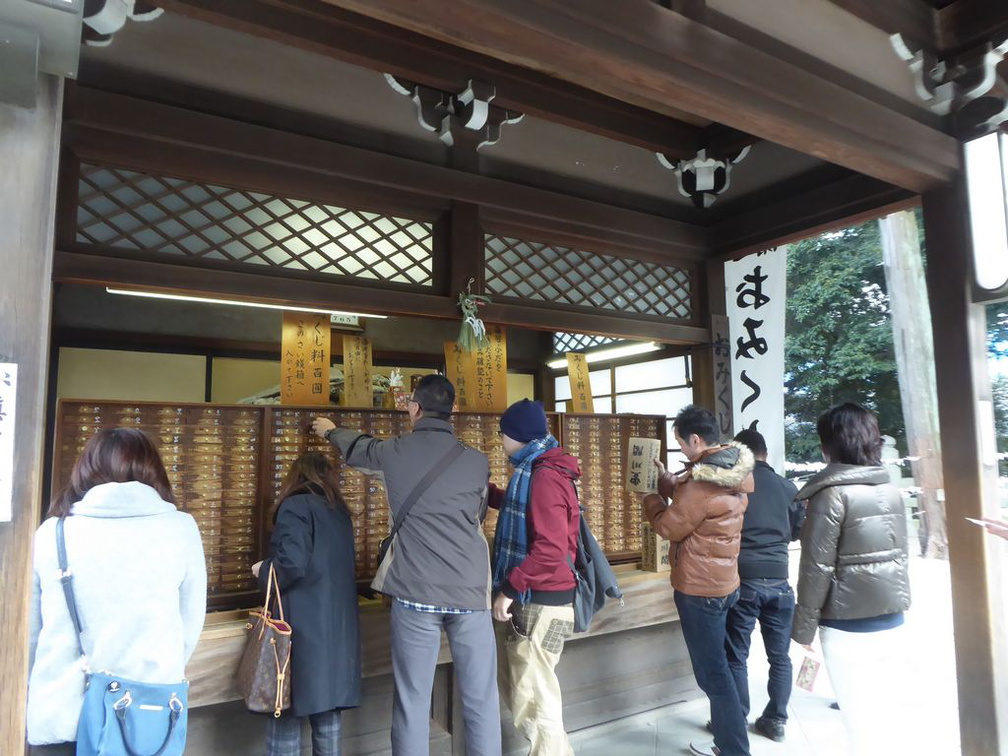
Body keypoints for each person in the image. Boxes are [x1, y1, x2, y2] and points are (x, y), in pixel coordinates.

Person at [312, 374, 501, 756]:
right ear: (454, 412)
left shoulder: (393, 452)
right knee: (481, 698)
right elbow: (476, 513)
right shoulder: (477, 461)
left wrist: (330, 431)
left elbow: (358, 448)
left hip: (415, 592)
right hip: (470, 592)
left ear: (413, 408)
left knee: (413, 700)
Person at [26, 428, 207, 754]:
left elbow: (29, 635)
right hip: (143, 721)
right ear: (154, 470)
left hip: (63, 715)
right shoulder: (181, 528)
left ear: (85, 469)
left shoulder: (53, 533)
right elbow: (189, 626)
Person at [791, 402, 912, 756]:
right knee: (884, 717)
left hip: (848, 627)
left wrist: (803, 630)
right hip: (893, 620)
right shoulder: (889, 490)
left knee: (860, 725)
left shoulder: (831, 494)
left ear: (830, 445)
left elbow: (816, 567)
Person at [642, 405, 754, 756]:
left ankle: (733, 747)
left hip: (699, 590)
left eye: (681, 445)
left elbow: (668, 526)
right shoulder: (733, 472)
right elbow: (703, 514)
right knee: (727, 663)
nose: (682, 453)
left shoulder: (700, 483)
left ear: (695, 439)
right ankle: (732, 731)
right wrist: (672, 486)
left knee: (712, 674)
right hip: (726, 583)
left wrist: (653, 498)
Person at [251, 451, 362, 756]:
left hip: (299, 630)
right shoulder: (338, 510)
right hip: (336, 631)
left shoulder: (295, 506)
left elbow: (291, 564)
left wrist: (263, 570)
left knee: (286, 709)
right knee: (327, 714)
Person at [487, 399, 579, 756]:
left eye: (502, 433)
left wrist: (511, 588)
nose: (500, 440)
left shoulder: (543, 476)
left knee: (537, 694)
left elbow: (551, 548)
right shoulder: (540, 469)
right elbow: (521, 509)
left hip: (543, 601)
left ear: (517, 435)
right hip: (546, 598)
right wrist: (490, 493)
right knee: (528, 689)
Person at [712, 428, 804, 744]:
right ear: (765, 453)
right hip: (780, 581)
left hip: (744, 579)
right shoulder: (787, 487)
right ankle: (776, 720)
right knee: (780, 657)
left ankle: (736, 718)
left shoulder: (736, 487)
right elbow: (797, 530)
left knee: (736, 655)